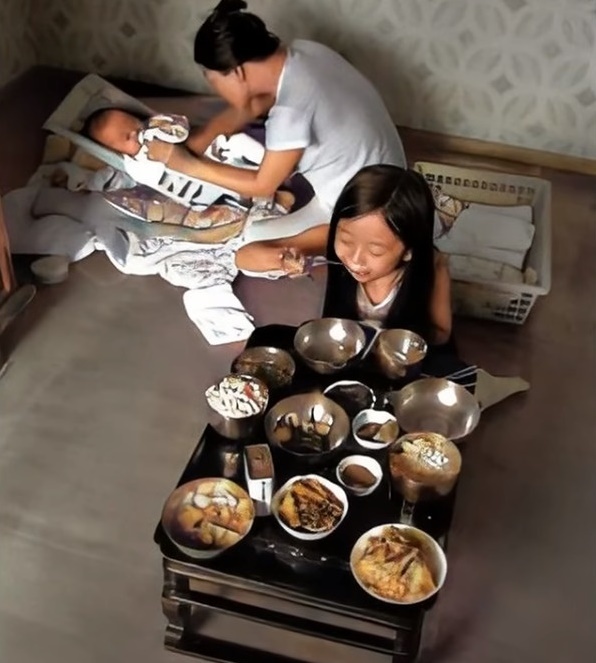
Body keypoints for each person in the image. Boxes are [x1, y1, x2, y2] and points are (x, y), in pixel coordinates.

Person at [169, 0, 406, 273]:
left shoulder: (291, 109)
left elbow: (262, 185)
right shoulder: (306, 52)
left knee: (247, 245)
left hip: (366, 210)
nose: (216, 90)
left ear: (237, 72)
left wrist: (185, 165)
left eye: (213, 81)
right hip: (390, 181)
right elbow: (253, 105)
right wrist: (198, 142)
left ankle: (346, 239)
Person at [322, 165, 452, 346]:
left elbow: (442, 333)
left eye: (375, 250)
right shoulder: (333, 264)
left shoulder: (433, 268)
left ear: (409, 250)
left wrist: (392, 339)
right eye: (346, 241)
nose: (355, 259)